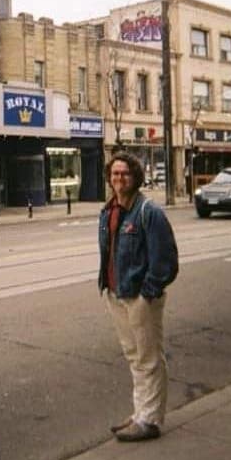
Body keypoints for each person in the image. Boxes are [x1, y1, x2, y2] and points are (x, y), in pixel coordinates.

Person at [98, 151, 178, 442]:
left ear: (136, 177)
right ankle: (141, 412)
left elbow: (165, 261)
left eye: (125, 174)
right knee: (134, 356)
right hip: (117, 294)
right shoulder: (108, 211)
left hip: (139, 297)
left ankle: (150, 419)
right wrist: (107, 287)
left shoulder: (149, 212)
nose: (119, 178)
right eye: (115, 173)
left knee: (148, 356)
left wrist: (148, 294)